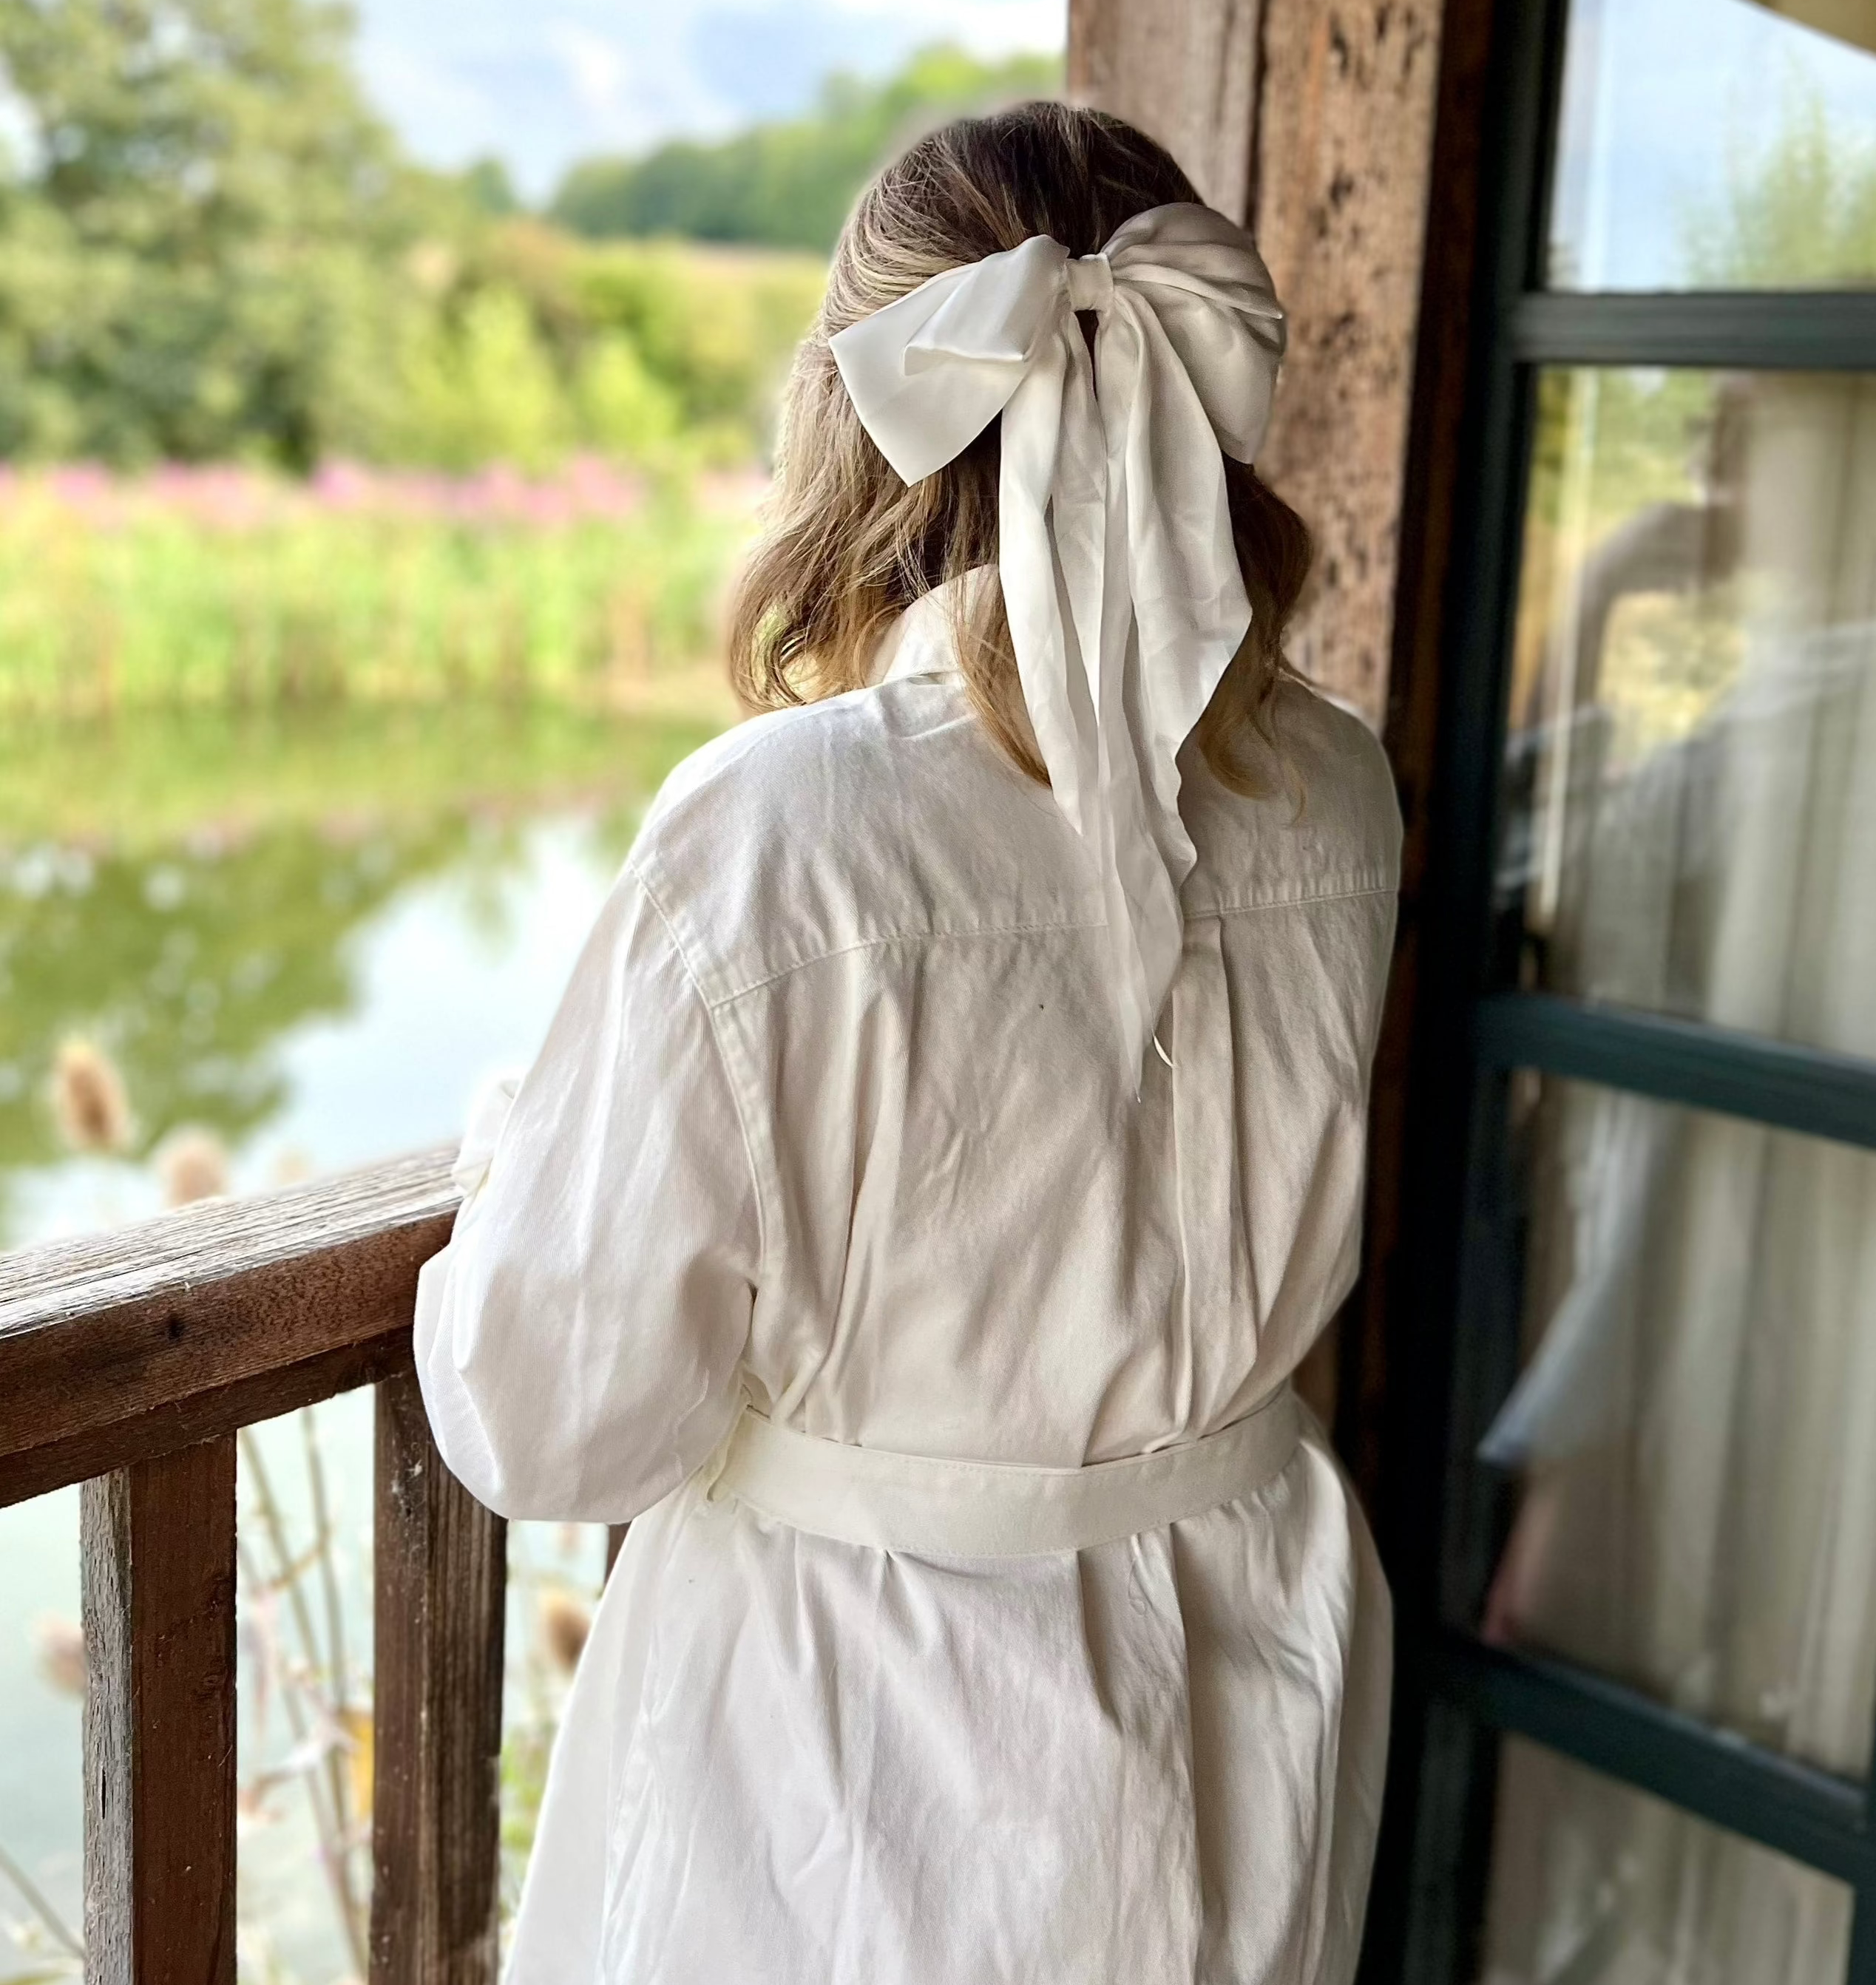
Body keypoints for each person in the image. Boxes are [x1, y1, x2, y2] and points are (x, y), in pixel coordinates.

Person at [413, 101, 1402, 1985]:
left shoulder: (778, 833)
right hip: (1249, 1654)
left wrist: (505, 1162)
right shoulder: (1336, 784)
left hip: (862, 1752)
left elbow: (553, 1415)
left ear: (856, 413)